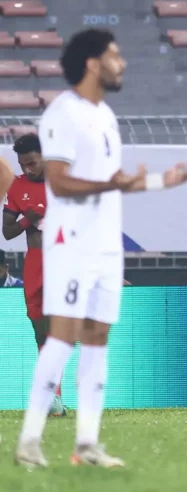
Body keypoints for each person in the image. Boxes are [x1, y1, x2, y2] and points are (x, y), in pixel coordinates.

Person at [14, 28, 187, 468]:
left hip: (104, 243)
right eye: (116, 56)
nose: (123, 64)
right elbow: (58, 181)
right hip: (71, 241)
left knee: (98, 338)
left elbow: (111, 184)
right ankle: (29, 439)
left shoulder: (106, 116)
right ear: (93, 63)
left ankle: (87, 443)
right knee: (63, 336)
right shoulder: (63, 113)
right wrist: (112, 183)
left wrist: (160, 182)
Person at [3, 134, 67, 416]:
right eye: (23, 164)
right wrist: (29, 217)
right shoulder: (17, 186)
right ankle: (53, 397)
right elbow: (7, 232)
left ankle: (54, 395)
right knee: (39, 330)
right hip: (35, 262)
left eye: (32, 163)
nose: (28, 169)